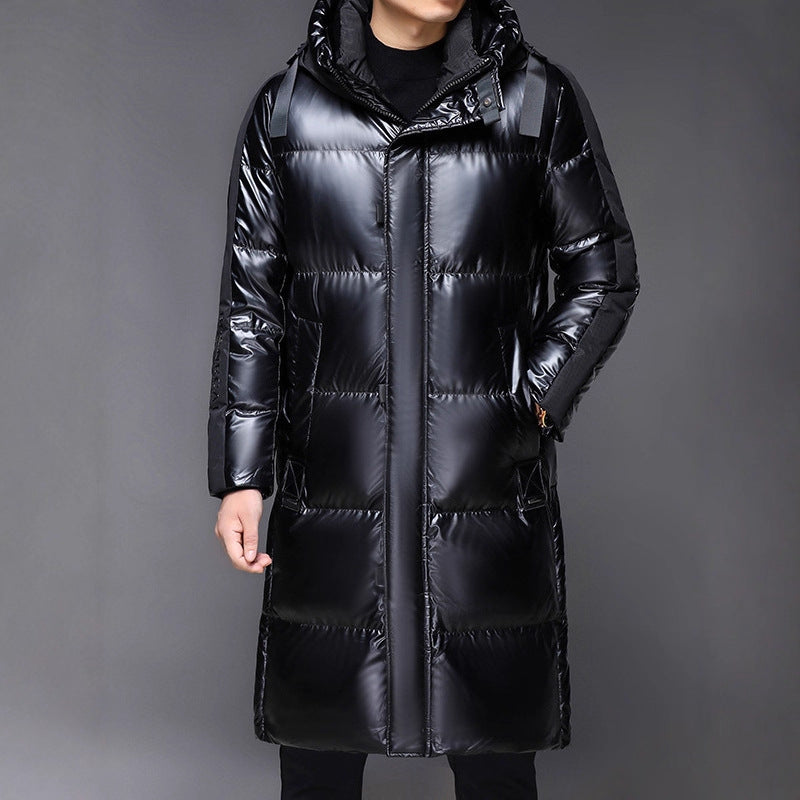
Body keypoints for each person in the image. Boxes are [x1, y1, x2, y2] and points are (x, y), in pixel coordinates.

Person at [208, 0, 639, 797]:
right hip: (333, 485)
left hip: (482, 485)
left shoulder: (533, 98)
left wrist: (530, 402)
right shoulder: (289, 109)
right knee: (319, 754)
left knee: (495, 757)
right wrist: (243, 478)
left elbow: (603, 272)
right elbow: (253, 309)